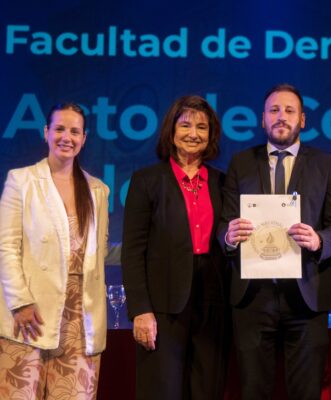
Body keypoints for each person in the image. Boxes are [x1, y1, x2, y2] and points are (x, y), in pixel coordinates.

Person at [219, 83, 331, 400]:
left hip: (307, 296)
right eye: (274, 110)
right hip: (253, 298)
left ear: (302, 119)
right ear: (262, 119)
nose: (281, 117)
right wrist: (228, 236)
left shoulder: (327, 163)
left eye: (289, 111)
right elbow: (224, 222)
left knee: (306, 393)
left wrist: (319, 240)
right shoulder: (241, 162)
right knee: (254, 391)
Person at [121, 95, 229, 399]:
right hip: (162, 308)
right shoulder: (146, 180)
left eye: (202, 127)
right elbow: (133, 251)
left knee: (207, 390)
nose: (193, 133)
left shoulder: (223, 183)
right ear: (171, 131)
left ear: (211, 135)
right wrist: (140, 310)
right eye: (185, 125)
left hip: (213, 305)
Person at [0, 102, 110, 399]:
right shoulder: (21, 181)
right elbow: (6, 247)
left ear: (84, 138)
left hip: (80, 319)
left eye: (75, 131)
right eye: (59, 129)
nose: (67, 137)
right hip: (31, 315)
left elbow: (98, 252)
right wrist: (20, 302)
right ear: (46, 132)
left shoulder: (98, 190)